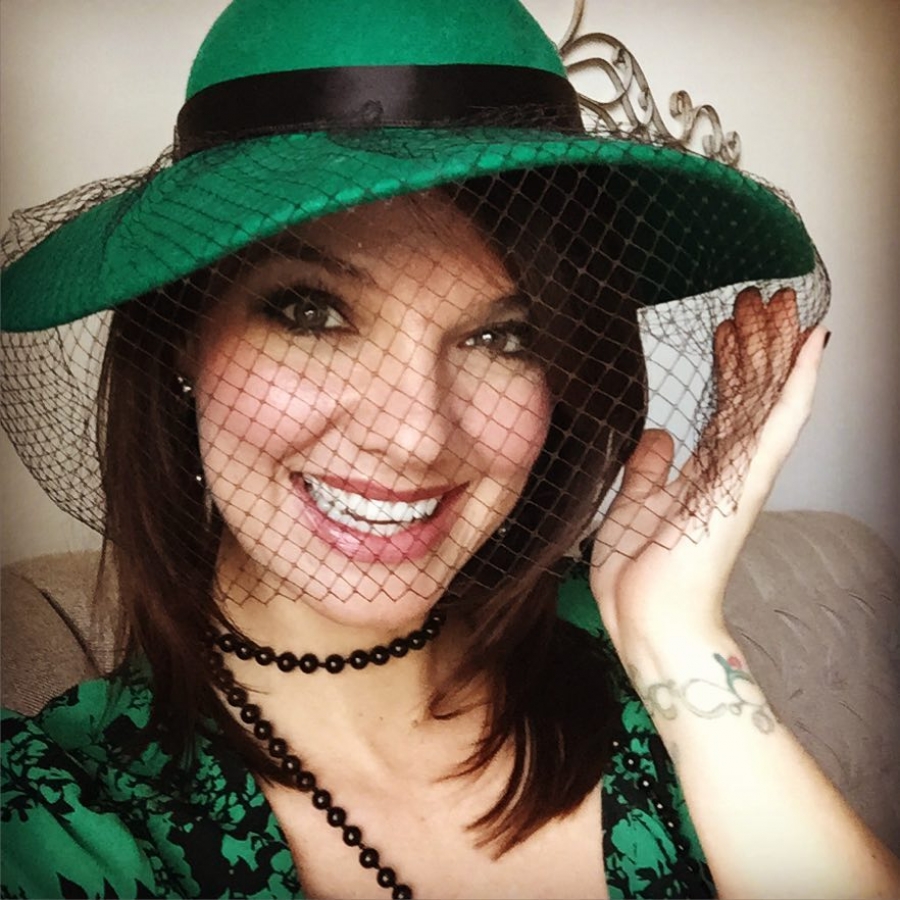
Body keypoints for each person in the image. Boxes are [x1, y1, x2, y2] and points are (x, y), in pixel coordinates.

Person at [1, 1, 898, 898]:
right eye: (312, 313)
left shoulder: (630, 677)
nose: (416, 434)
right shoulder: (57, 819)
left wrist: (679, 640)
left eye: (503, 338)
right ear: (183, 336)